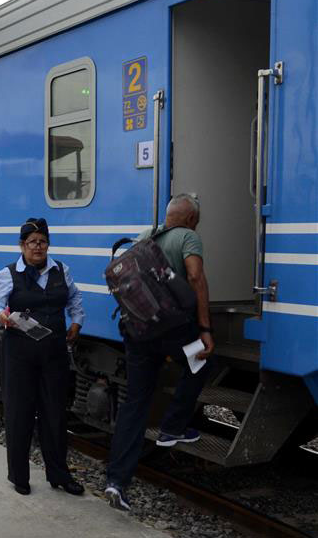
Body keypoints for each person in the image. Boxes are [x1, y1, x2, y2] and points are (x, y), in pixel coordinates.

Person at [105, 194, 214, 511]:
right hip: (173, 332)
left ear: (168, 216)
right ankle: (173, 427)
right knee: (202, 361)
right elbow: (195, 276)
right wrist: (205, 328)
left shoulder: (145, 236)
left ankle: (116, 482)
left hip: (138, 333)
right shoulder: (189, 237)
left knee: (135, 403)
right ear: (192, 219)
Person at [0, 218, 85, 496]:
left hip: (53, 354)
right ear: (22, 245)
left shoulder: (62, 270)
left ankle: (59, 475)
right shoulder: (7, 274)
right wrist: (2, 316)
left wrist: (77, 321)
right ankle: (19, 477)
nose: (37, 247)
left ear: (48, 243)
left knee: (55, 415)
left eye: (42, 241)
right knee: (20, 415)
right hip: (19, 356)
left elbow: (75, 299)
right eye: (32, 242)